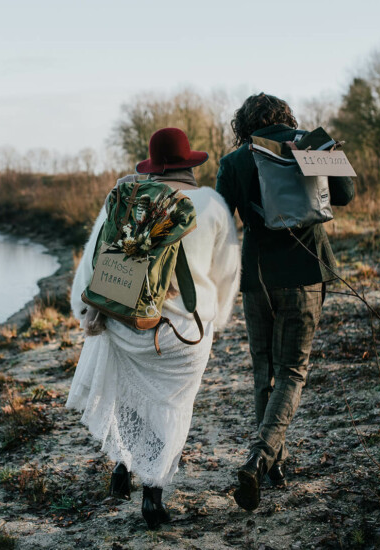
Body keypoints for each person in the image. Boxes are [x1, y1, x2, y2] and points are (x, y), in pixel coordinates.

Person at [67, 127, 240, 528]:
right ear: (189, 163)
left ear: (152, 166)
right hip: (181, 335)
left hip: (126, 325)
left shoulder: (127, 201)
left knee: (129, 397)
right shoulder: (212, 205)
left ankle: (123, 467)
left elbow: (92, 267)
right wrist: (220, 317)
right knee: (173, 405)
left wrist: (86, 313)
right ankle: (153, 494)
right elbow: (227, 275)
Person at [215, 93, 355, 511]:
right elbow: (345, 194)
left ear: (244, 123)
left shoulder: (235, 160)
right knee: (293, 371)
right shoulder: (308, 144)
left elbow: (222, 221)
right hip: (306, 270)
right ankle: (261, 458)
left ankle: (275, 462)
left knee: (265, 369)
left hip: (257, 275)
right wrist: (320, 150)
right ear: (285, 116)